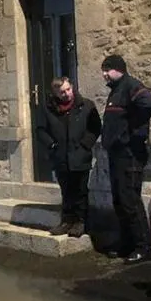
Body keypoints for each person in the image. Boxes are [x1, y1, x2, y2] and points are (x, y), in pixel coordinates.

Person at [100, 54, 151, 263]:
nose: (104, 74)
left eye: (107, 69)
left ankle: (144, 248)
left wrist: (129, 132)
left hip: (130, 154)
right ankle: (127, 243)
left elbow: (150, 104)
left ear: (119, 69)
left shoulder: (131, 86)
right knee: (119, 201)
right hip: (117, 154)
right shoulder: (116, 90)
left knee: (130, 201)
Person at [35, 76, 101, 237]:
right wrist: (52, 145)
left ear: (72, 87)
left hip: (80, 155)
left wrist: (85, 145)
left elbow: (95, 127)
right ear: (55, 93)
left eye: (68, 90)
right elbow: (40, 130)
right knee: (66, 191)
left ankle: (81, 222)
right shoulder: (48, 108)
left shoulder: (86, 105)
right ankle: (66, 221)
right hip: (60, 156)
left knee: (80, 190)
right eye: (62, 92)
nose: (66, 94)